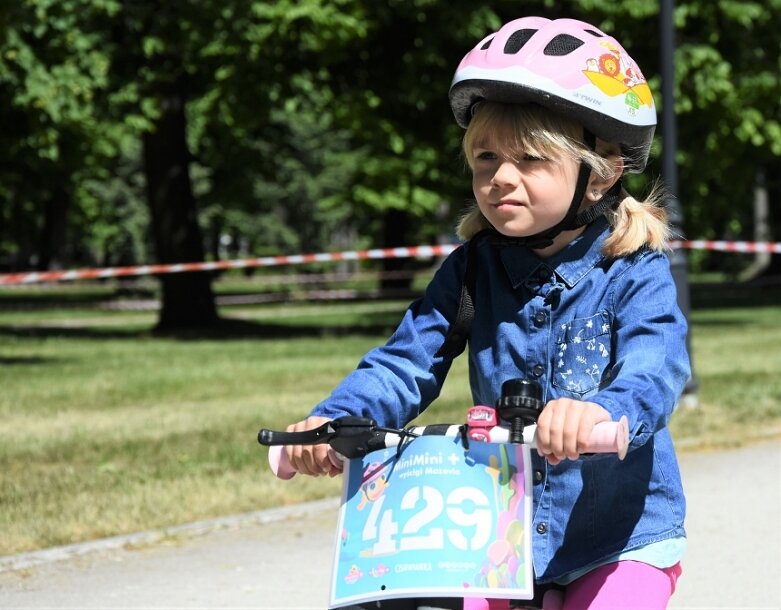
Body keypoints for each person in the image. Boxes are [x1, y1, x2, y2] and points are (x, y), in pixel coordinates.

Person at [283, 16, 690, 610]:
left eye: (529, 159)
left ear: (598, 174)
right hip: (500, 532)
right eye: (485, 158)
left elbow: (656, 366)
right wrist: (337, 419)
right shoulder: (471, 269)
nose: (500, 178)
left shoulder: (633, 271)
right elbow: (406, 362)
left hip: (618, 538)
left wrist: (604, 411)